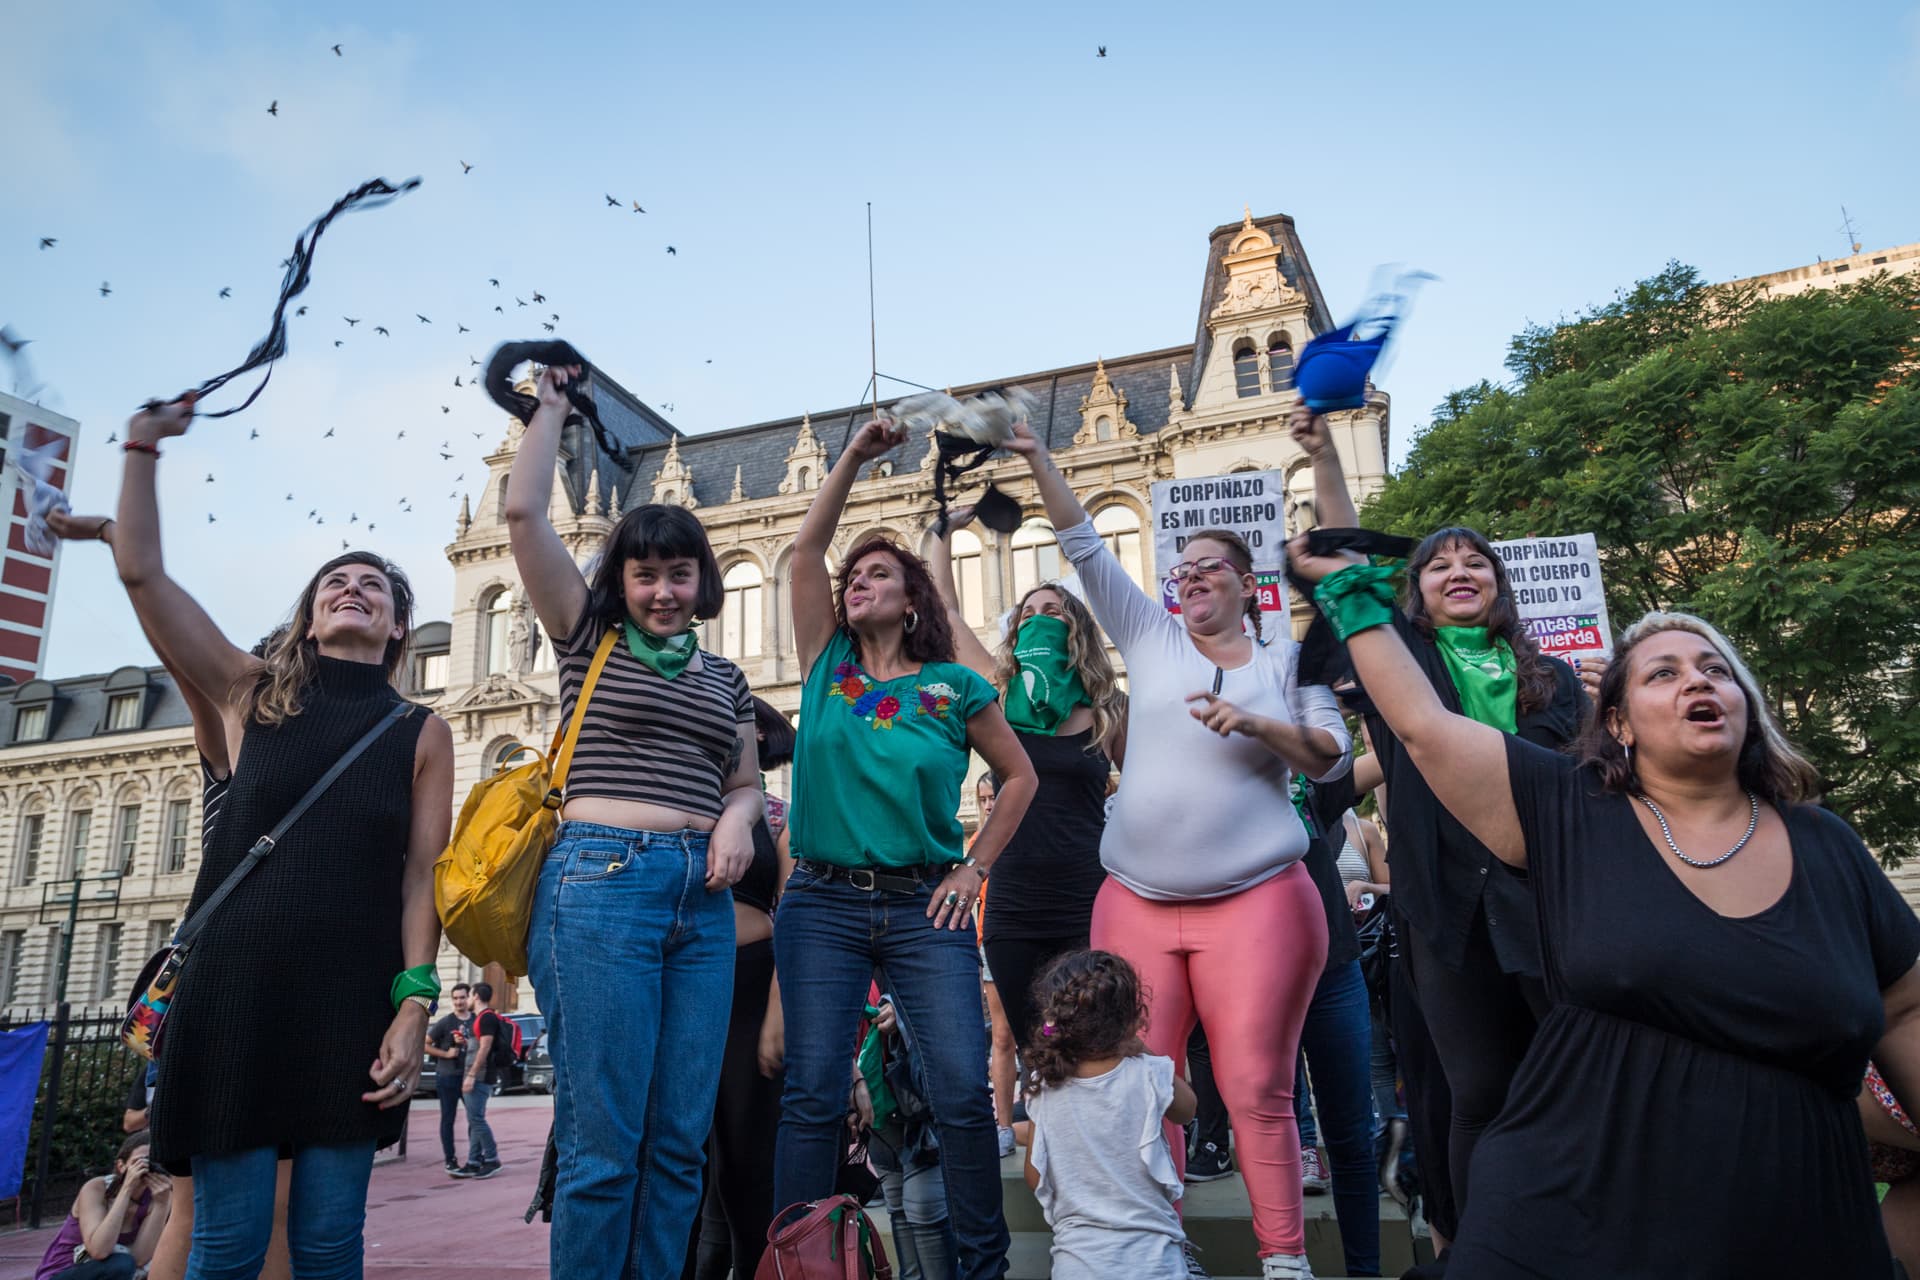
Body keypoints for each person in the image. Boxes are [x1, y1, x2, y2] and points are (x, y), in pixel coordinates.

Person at [1293, 533, 1920, 1278]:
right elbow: (1424, 728)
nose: (1698, 681)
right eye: (1665, 672)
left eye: (1716, 669)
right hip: (1580, 1210)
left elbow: (1906, 1006)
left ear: (1746, 704)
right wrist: (1352, 594)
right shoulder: (1571, 814)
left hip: (1795, 1220)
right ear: (1618, 722)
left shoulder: (1828, 848)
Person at [109, 395, 452, 1280]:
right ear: (308, 617)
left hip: (349, 999)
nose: (353, 588)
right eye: (335, 581)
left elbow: (422, 876)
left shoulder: (421, 729)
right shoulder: (248, 692)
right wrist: (142, 449)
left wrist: (415, 1006)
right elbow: (144, 575)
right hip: (232, 990)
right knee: (223, 1243)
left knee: (330, 1241)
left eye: (374, 586)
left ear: (396, 628)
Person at [1007, 417, 1349, 1280]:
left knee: (1253, 1086)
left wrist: (1254, 722)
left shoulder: (1289, 663)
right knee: (1134, 1077)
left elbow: (1327, 754)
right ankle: (1148, 1250)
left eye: (1209, 568)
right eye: (1181, 569)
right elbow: (1084, 546)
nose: (1190, 578)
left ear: (1249, 584)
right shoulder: (1152, 641)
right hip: (1136, 898)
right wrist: (1038, 457)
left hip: (1259, 899)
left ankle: (1283, 1261)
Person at [1291, 400, 1589, 1246]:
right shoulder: (1403, 667)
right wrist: (1325, 463)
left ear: (1498, 586)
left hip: (1547, 907)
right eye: (1438, 565)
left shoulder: (1555, 682)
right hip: (1445, 914)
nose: (1460, 571)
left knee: (1572, 1085)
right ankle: (1473, 1249)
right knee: (1478, 1096)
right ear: (1416, 593)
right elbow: (1351, 570)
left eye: (1477, 564)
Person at [505, 363, 761, 1280]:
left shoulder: (725, 679)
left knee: (678, 1145)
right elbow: (526, 520)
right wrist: (553, 412)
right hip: (600, 881)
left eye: (679, 573)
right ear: (622, 579)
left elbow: (740, 783)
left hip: (700, 898)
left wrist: (739, 819)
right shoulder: (587, 639)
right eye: (644, 573)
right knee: (603, 1145)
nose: (661, 590)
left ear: (703, 581)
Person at [774, 413, 1036, 1280]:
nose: (857, 582)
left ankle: (979, 1267)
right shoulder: (823, 665)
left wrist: (974, 865)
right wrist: (854, 454)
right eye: (855, 575)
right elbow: (805, 553)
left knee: (962, 1090)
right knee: (813, 1094)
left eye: (879, 573)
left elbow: (1022, 779)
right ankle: (804, 1264)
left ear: (914, 597)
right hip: (820, 902)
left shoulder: (954, 686)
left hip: (929, 903)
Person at [930, 507, 1125, 1068]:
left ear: (1076, 628)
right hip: (1014, 905)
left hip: (1087, 899)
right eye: (1029, 612)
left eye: (1054, 610)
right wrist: (944, 533)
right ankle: (1049, 1159)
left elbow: (1145, 791)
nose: (1039, 618)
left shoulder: (1109, 710)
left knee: (1092, 1048)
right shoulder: (999, 692)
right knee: (1040, 1055)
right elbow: (946, 613)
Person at [684, 697, 796, 1280]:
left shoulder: (779, 817)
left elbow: (798, 920)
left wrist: (779, 1010)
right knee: (677, 1158)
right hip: (676, 986)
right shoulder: (675, 806)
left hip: (752, 986)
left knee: (749, 1163)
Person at [1023, 950, 1197, 1280]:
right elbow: (1188, 1110)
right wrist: (1138, 1045)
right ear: (1132, 1020)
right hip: (1154, 1261)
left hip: (1077, 1263)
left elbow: (1035, 1175)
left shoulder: (1045, 1083)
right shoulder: (1148, 1073)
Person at [34, 1132, 171, 1280]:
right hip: (64, 1272)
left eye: (154, 1162)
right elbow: (99, 1250)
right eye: (141, 1161)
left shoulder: (157, 1197)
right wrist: (126, 1189)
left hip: (115, 1271)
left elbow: (139, 1259)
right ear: (121, 1165)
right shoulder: (96, 1188)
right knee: (121, 1264)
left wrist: (162, 1205)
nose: (147, 1168)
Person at [968, 774, 1020, 1160]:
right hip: (990, 946)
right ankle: (1003, 1125)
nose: (988, 804)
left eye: (993, 797)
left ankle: (1042, 1119)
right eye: (983, 798)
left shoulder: (1023, 835)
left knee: (1045, 1031)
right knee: (1001, 1037)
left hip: (1028, 938)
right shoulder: (974, 846)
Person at [452, 983, 505, 1180]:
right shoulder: (483, 1018)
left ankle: (492, 1158)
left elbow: (485, 1048)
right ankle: (473, 1162)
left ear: (475, 996)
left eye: (469, 995)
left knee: (476, 1119)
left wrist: (472, 1075)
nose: (466, 1000)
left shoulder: (486, 1018)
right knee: (474, 1119)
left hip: (480, 1076)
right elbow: (479, 1046)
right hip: (477, 1074)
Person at [424, 983, 474, 1173]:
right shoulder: (445, 1022)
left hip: (468, 1076)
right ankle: (450, 1159)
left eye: (462, 997)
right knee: (448, 1118)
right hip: (447, 1076)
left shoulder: (475, 1020)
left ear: (468, 998)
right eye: (455, 998)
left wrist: (467, 1043)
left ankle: (474, 1157)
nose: (459, 1001)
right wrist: (446, 1054)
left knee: (475, 1118)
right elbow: (425, 1044)